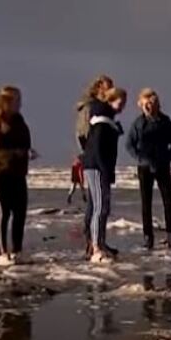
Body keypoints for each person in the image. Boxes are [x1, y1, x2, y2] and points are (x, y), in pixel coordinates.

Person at [0, 85, 37, 267]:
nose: (20, 104)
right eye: (17, 100)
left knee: (20, 212)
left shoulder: (19, 120)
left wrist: (28, 151)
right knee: (3, 212)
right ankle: (1, 253)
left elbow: (24, 142)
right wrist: (20, 152)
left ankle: (17, 251)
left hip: (18, 172)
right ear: (8, 101)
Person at [126, 88, 171, 250]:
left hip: (162, 166)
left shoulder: (165, 121)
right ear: (140, 105)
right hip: (144, 167)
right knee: (146, 203)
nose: (148, 106)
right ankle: (148, 238)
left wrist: (166, 157)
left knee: (168, 201)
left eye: (151, 103)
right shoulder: (138, 123)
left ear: (156, 104)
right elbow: (129, 145)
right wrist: (140, 158)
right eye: (145, 104)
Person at [81, 87, 127, 263]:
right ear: (110, 100)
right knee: (100, 207)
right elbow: (98, 149)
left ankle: (99, 243)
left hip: (98, 167)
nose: (122, 107)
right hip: (96, 167)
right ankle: (96, 247)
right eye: (120, 102)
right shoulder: (102, 121)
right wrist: (106, 171)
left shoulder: (108, 121)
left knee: (100, 206)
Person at [72, 75, 113, 226]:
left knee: (99, 201)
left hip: (100, 156)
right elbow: (83, 134)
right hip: (93, 158)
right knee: (96, 202)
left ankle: (97, 238)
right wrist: (88, 153)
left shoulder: (103, 109)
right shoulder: (90, 108)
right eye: (108, 88)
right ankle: (91, 238)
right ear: (98, 89)